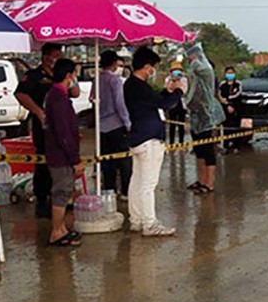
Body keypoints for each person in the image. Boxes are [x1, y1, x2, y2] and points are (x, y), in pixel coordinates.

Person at [15, 43, 79, 219]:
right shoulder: (34, 76)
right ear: (46, 57)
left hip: (61, 122)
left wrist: (72, 77)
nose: (56, 58)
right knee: (44, 163)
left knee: (63, 164)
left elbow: (75, 93)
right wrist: (38, 111)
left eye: (60, 55)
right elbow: (20, 94)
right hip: (43, 125)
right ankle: (42, 199)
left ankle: (60, 200)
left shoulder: (61, 76)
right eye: (55, 55)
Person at [124, 47, 179, 236]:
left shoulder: (132, 85)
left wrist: (167, 91)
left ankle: (137, 219)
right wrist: (178, 92)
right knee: (148, 184)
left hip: (139, 137)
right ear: (146, 66)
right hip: (149, 138)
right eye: (152, 68)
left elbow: (156, 100)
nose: (152, 71)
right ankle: (149, 223)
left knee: (137, 180)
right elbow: (164, 104)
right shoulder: (138, 86)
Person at [43, 58, 85, 247]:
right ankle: (56, 231)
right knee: (61, 193)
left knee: (64, 190)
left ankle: (62, 229)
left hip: (60, 152)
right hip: (60, 155)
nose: (75, 78)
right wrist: (75, 159)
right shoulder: (57, 98)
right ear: (69, 76)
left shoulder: (59, 96)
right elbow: (63, 132)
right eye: (75, 74)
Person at [184, 44, 226, 194]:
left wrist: (195, 60)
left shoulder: (206, 72)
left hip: (207, 116)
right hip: (196, 115)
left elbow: (204, 70)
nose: (189, 59)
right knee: (199, 151)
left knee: (208, 151)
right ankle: (201, 180)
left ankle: (209, 183)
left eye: (192, 56)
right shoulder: (193, 75)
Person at [92, 50, 132, 197]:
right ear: (114, 63)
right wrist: (127, 122)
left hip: (101, 127)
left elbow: (92, 98)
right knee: (124, 161)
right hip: (116, 125)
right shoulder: (114, 80)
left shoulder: (97, 79)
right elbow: (119, 103)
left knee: (106, 161)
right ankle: (125, 191)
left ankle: (110, 191)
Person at [218, 66, 243, 153]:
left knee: (236, 127)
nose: (230, 75)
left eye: (231, 73)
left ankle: (236, 146)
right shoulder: (222, 85)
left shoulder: (238, 84)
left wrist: (229, 100)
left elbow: (237, 94)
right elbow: (220, 96)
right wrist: (226, 104)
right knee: (226, 128)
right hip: (225, 109)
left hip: (236, 109)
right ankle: (226, 146)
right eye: (228, 73)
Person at [163, 60, 188, 145]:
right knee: (172, 124)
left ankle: (181, 141)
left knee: (181, 123)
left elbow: (183, 90)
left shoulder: (184, 79)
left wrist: (178, 82)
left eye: (178, 70)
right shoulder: (168, 79)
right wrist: (172, 82)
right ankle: (171, 142)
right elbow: (167, 90)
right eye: (174, 70)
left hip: (181, 103)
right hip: (172, 103)